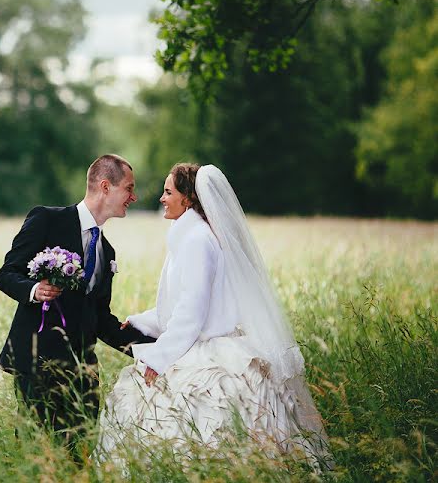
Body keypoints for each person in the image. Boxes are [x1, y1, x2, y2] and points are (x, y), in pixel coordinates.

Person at [95, 163, 330, 470]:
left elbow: (191, 314)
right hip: (200, 339)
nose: (162, 199)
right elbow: (182, 304)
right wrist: (142, 321)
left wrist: (159, 358)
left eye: (169, 192)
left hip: (209, 349)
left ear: (189, 199)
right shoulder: (189, 236)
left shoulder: (197, 240)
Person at [0, 154, 155, 453]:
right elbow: (6, 274)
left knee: (80, 455)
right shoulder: (47, 219)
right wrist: (34, 290)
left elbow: (101, 319)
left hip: (84, 372)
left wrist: (154, 348)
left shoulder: (107, 251)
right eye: (129, 188)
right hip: (38, 362)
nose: (133, 197)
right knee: (38, 452)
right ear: (106, 187)